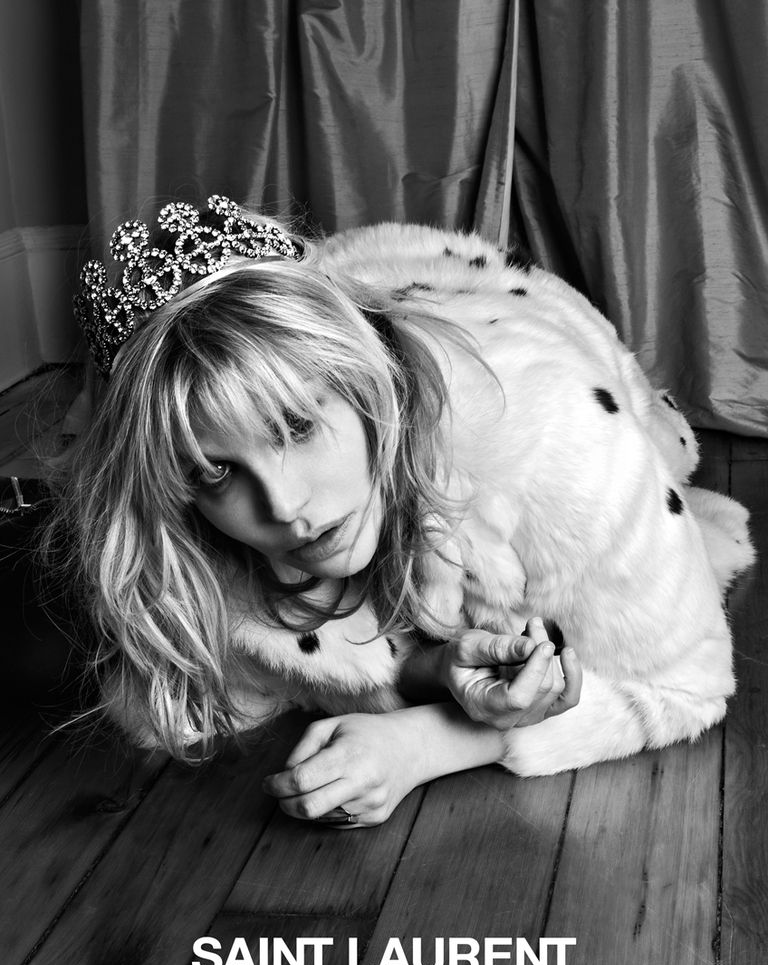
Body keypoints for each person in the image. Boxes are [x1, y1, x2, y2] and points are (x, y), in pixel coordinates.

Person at [49, 195, 753, 828]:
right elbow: (198, 689)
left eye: (296, 426)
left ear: (366, 385)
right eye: (215, 471)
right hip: (359, 270)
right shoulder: (191, 539)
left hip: (505, 316)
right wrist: (436, 671)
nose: (285, 507)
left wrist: (430, 742)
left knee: (670, 455)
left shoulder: (561, 443)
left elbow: (690, 688)